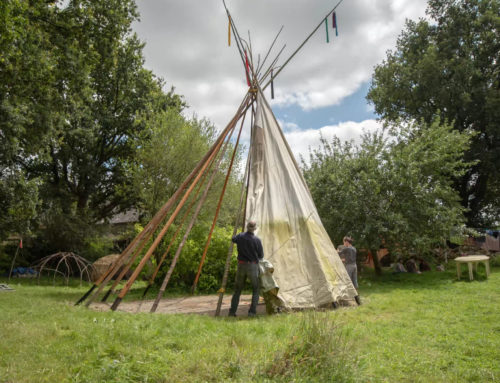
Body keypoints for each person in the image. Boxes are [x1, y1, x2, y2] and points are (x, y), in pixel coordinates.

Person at [228, 220, 264, 317]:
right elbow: (261, 255)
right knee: (256, 289)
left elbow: (233, 239)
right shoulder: (257, 240)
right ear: (255, 228)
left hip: (241, 266)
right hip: (252, 266)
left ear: (247, 227)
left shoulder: (240, 236)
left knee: (237, 290)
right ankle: (252, 312)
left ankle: (232, 312)